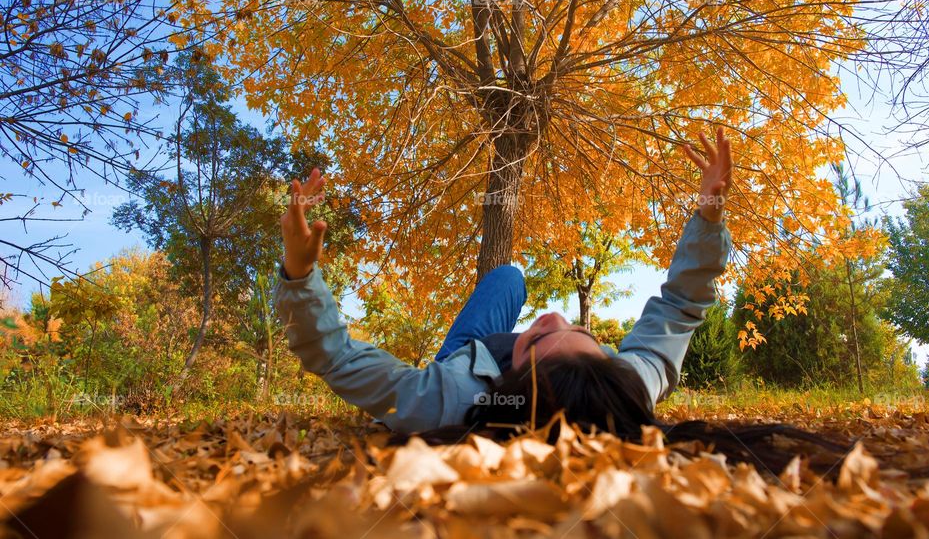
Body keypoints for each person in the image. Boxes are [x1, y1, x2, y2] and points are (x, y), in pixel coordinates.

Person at [274, 129, 734, 435]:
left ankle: (483, 343)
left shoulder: (449, 400)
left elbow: (335, 357)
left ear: (514, 388)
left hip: (466, 357)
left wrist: (299, 274)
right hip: (513, 364)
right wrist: (708, 215)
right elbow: (681, 305)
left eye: (538, 339)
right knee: (511, 277)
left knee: (506, 277)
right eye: (581, 331)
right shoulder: (630, 381)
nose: (552, 317)